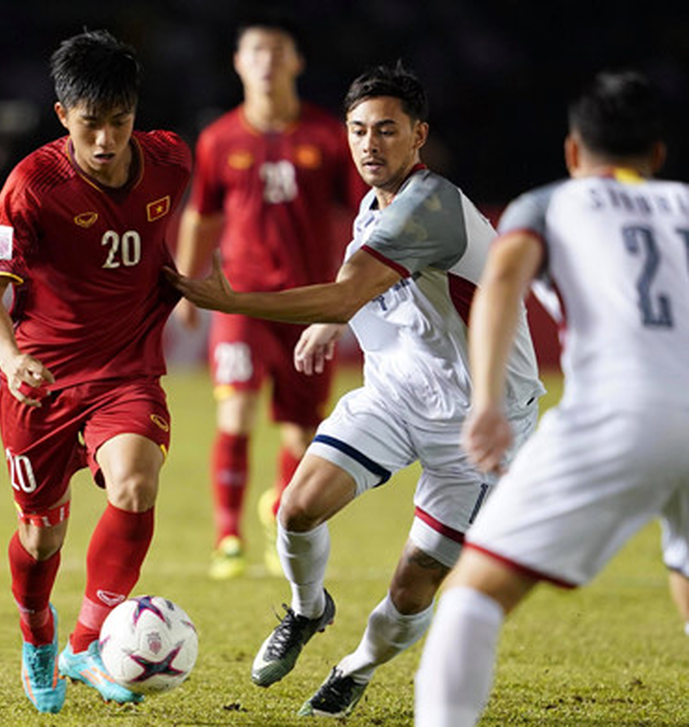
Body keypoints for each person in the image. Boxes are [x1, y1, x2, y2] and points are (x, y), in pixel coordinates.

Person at [166, 62, 544, 718]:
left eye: (388, 131)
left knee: (415, 576)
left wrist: (238, 301)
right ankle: (309, 608)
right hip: (397, 395)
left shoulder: (432, 205)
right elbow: (356, 281)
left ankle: (356, 666)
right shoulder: (377, 202)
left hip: (480, 421)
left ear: (419, 136)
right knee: (296, 507)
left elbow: (348, 290)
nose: (370, 144)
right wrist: (325, 322)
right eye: (359, 130)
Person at [413, 70, 689, 726]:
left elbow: (504, 277)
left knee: (472, 598)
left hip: (620, 411)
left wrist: (485, 400)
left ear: (572, 152)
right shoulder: (684, 202)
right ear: (656, 156)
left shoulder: (551, 204)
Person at [0, 30, 191, 714]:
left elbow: (156, 235)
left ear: (135, 113)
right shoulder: (33, 186)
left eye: (118, 123)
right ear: (63, 115)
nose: (105, 141)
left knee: (134, 480)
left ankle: (88, 643)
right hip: (41, 382)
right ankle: (39, 636)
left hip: (126, 372)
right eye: (90, 125)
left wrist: (181, 282)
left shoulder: (169, 161)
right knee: (42, 535)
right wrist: (11, 359)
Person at [175, 12, 364, 580]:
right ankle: (227, 536)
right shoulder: (219, 139)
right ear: (239, 63)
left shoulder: (328, 136)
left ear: (297, 62)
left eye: (278, 50)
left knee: (302, 430)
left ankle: (278, 510)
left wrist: (353, 286)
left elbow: (362, 212)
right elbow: (201, 216)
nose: (267, 61)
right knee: (235, 411)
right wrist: (188, 287)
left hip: (309, 303)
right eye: (256, 51)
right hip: (241, 301)